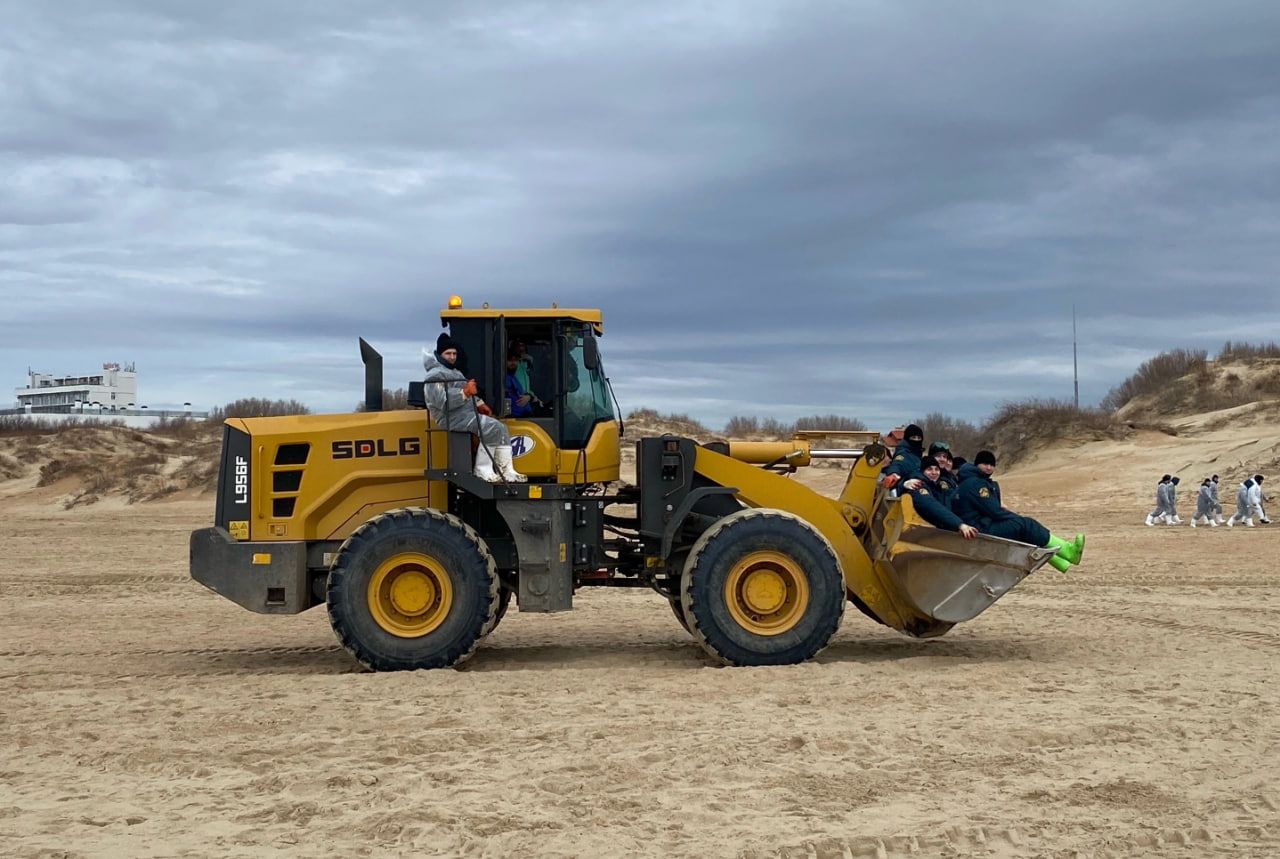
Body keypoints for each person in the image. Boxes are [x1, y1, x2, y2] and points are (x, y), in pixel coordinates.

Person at [953, 450, 1084, 573]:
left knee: (1024, 529)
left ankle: (1060, 561)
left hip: (979, 525)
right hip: (979, 529)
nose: (989, 468)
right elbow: (994, 511)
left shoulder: (974, 481)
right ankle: (1068, 551)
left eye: (992, 465)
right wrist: (1017, 519)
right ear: (977, 465)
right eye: (985, 464)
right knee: (1026, 526)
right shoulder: (975, 483)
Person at [422, 333, 526, 483]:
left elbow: (466, 394)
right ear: (439, 354)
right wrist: (464, 392)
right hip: (450, 418)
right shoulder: (435, 376)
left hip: (463, 414)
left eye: (454, 354)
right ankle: (482, 469)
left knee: (501, 427)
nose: (452, 357)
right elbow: (441, 402)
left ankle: (507, 470)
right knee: (491, 427)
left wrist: (479, 403)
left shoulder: (454, 372)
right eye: (448, 354)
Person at [901, 455, 978, 539]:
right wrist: (959, 524)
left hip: (941, 530)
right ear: (922, 471)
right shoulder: (917, 485)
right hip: (921, 534)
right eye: (929, 469)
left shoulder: (938, 486)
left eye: (936, 469)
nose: (934, 472)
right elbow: (931, 506)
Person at [881, 423, 925, 491]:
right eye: (913, 437)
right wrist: (893, 474)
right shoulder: (903, 453)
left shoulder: (918, 454)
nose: (916, 440)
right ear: (907, 439)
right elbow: (897, 464)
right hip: (907, 488)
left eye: (919, 438)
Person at [503, 349, 534, 418]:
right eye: (510, 360)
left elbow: (522, 393)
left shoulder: (513, 377)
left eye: (515, 360)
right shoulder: (503, 378)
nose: (513, 363)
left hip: (527, 415)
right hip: (515, 417)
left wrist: (529, 396)